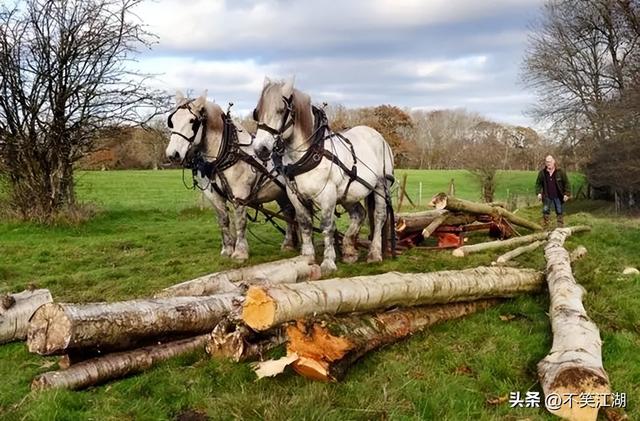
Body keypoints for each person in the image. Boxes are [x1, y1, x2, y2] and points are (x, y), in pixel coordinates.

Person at [535, 155, 570, 228]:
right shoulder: (542, 173)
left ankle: (560, 226)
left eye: (550, 161)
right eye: (547, 162)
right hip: (547, 196)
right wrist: (538, 193)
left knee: (559, 211)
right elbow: (538, 184)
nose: (548, 163)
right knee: (545, 210)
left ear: (553, 161)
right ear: (545, 163)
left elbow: (567, 183)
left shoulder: (560, 172)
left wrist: (567, 194)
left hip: (558, 196)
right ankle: (546, 226)